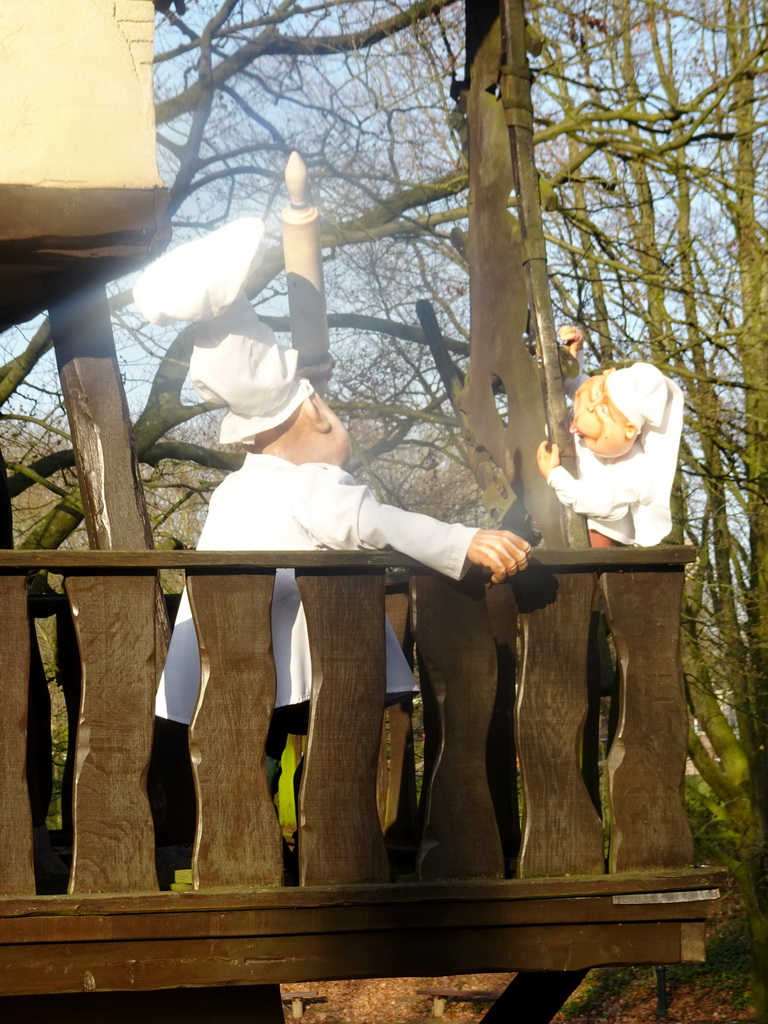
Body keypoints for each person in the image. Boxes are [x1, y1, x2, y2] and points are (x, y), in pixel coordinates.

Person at [134, 217, 532, 768]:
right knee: (326, 746)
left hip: (225, 659)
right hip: (297, 664)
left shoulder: (233, 490)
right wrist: (463, 540)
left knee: (248, 760)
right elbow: (378, 522)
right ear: (317, 418)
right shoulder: (310, 483)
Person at [536, 328, 684, 547]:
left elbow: (602, 503)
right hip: (556, 512)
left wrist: (556, 477)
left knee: (593, 544)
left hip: (595, 534)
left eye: (604, 412)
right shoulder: (589, 421)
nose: (590, 408)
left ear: (630, 430)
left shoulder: (633, 469)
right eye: (597, 395)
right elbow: (572, 385)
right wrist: (573, 353)